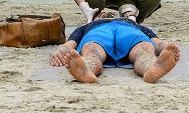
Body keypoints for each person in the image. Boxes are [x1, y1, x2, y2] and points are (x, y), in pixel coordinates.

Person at [49, 5, 181, 83]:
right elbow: (68, 46)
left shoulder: (135, 24)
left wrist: (167, 49)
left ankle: (152, 68)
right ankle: (86, 70)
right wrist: (60, 51)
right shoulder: (88, 26)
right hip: (116, 31)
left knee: (143, 49)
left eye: (110, 13)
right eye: (104, 12)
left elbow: (158, 44)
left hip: (119, 31)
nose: (108, 13)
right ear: (98, 17)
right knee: (92, 49)